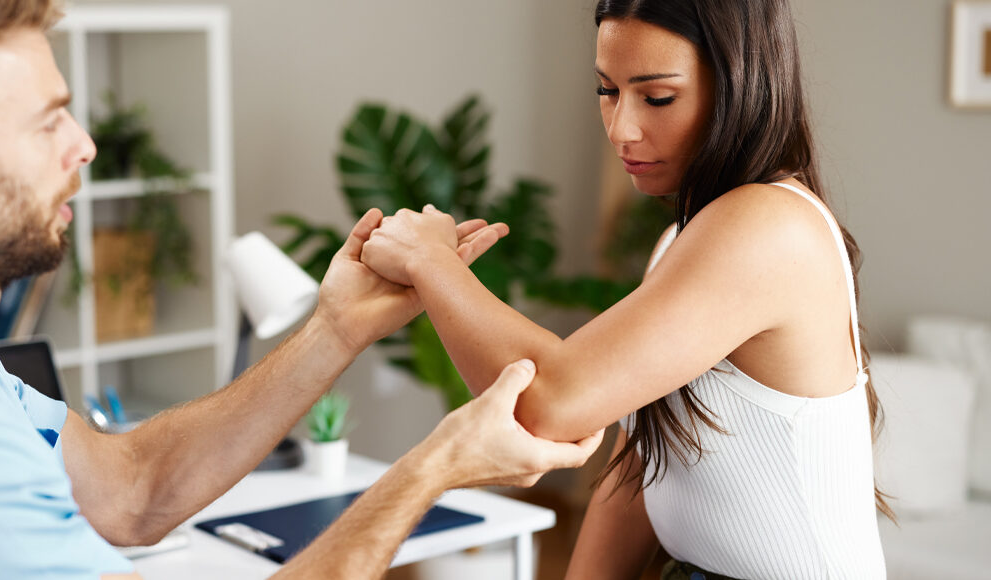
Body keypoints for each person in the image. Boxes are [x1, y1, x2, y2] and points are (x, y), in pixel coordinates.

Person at [0, 1, 604, 579]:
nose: (84, 144)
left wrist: (335, 330)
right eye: (48, 122)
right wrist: (433, 466)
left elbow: (129, 489)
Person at [359, 0, 889, 578]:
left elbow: (545, 407)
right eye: (606, 91)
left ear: (739, 85)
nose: (621, 128)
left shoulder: (766, 224)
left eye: (657, 97)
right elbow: (645, 458)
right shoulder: (681, 240)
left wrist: (430, 262)